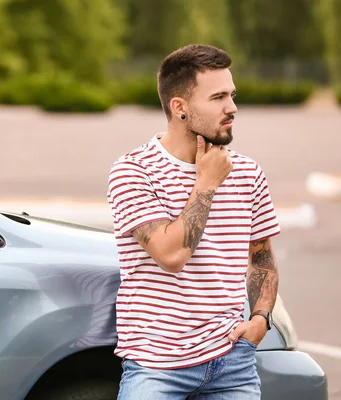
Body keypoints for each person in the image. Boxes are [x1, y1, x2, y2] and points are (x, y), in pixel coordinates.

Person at [106, 44, 281, 399]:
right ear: (180, 108)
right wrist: (206, 184)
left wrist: (260, 320)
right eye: (217, 97)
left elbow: (261, 258)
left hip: (234, 364)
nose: (232, 108)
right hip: (157, 367)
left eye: (232, 95)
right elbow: (171, 255)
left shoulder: (248, 173)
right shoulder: (133, 171)